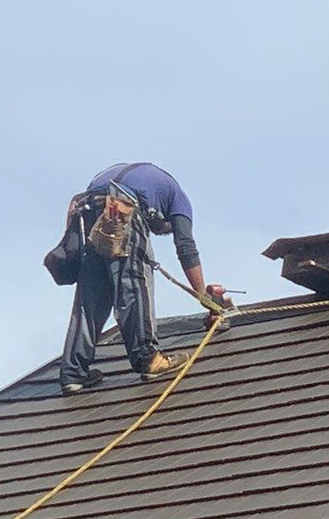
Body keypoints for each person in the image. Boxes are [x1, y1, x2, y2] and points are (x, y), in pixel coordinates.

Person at [46, 161, 230, 393]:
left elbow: (75, 202)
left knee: (91, 296)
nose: (160, 232)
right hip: (121, 206)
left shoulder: (140, 178)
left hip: (89, 208)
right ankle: (148, 359)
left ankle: (73, 373)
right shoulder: (179, 201)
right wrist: (206, 298)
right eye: (164, 229)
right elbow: (186, 248)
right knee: (134, 282)